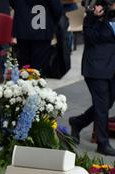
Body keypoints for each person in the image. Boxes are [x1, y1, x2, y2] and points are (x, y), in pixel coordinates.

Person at [69, 3, 115, 156]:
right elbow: (92, 38)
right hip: (96, 67)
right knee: (102, 105)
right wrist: (97, 17)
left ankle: (78, 122)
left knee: (107, 103)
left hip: (112, 67)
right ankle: (103, 143)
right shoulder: (92, 17)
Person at [10, 0, 64, 73]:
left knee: (24, 68)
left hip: (23, 28)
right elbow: (58, 9)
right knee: (39, 69)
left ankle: (25, 83)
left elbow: (13, 3)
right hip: (42, 29)